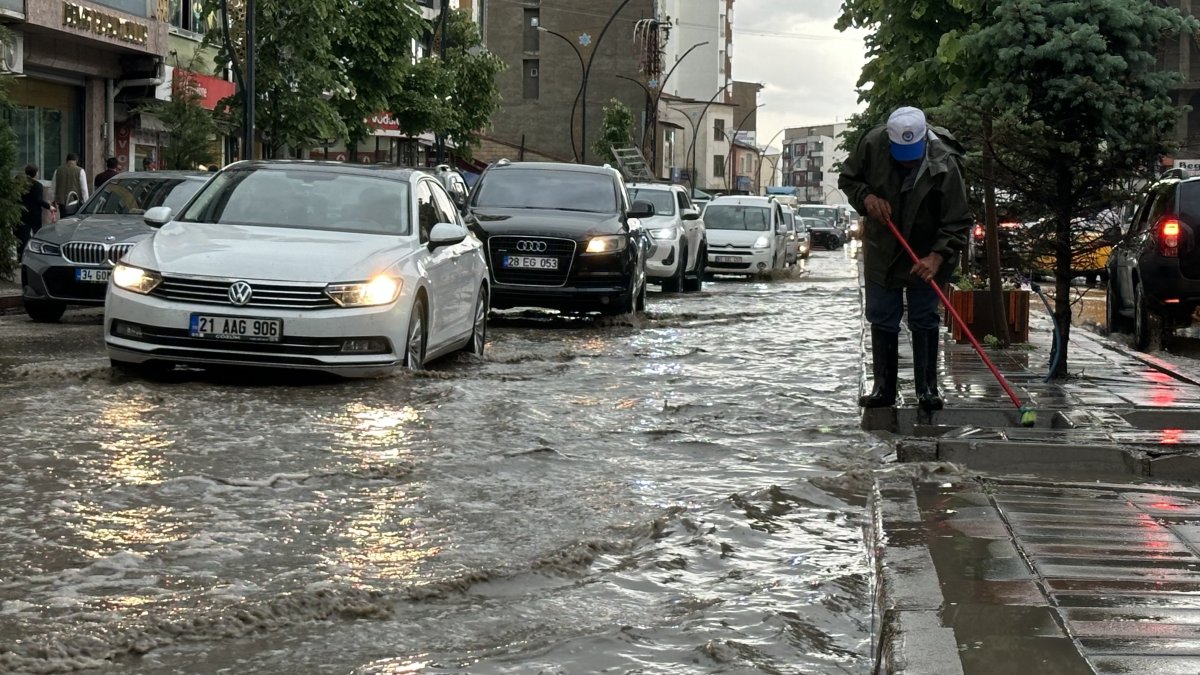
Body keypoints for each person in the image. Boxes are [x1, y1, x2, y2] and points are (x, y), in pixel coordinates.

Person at [838, 106, 972, 412]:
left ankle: (927, 389)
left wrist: (937, 258)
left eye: (913, 153)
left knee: (924, 316)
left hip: (929, 249)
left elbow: (957, 220)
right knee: (881, 314)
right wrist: (867, 198)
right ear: (889, 139)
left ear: (924, 140)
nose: (907, 160)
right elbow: (849, 180)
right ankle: (883, 388)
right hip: (884, 244)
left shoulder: (945, 163)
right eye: (901, 153)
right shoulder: (871, 145)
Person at [17, 165, 51, 255]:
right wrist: (49, 206)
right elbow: (39, 200)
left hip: (21, 213)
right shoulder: (37, 185)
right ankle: (36, 253)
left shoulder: (20, 184)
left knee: (23, 237)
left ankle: (21, 256)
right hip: (34, 214)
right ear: (35, 173)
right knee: (37, 235)